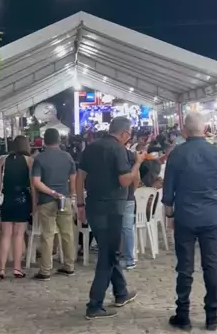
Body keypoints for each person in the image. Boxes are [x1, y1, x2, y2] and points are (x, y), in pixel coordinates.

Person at [163, 112, 217, 332]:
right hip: (211, 216)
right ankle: (212, 315)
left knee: (184, 267)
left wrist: (170, 216)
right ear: (205, 129)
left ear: (184, 130)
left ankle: (183, 315)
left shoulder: (176, 154)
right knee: (211, 265)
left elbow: (168, 192)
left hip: (184, 216)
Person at [76, 116, 145, 320]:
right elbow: (125, 180)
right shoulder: (119, 150)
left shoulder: (91, 147)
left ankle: (121, 292)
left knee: (109, 251)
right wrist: (138, 163)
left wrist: (80, 204)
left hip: (93, 205)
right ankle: (94, 304)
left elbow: (80, 177)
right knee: (107, 256)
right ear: (124, 133)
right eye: (129, 135)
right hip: (112, 208)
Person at [31, 127, 77, 280]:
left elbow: (36, 182)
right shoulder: (68, 157)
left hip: (46, 200)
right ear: (58, 140)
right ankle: (69, 266)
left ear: (44, 141)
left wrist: (51, 192)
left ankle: (45, 270)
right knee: (67, 233)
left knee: (48, 235)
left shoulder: (39, 158)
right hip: (65, 199)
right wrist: (71, 195)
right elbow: (73, 177)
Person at [0, 136, 34, 280]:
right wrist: (34, 203)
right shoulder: (29, 161)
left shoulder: (3, 160)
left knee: (5, 235)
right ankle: (17, 268)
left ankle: (1, 269)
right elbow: (33, 185)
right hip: (22, 199)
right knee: (18, 235)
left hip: (7, 199)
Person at [121, 142, 140, 269]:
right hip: (128, 196)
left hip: (113, 197)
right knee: (127, 228)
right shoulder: (131, 156)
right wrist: (132, 190)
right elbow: (136, 177)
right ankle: (129, 259)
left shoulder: (108, 154)